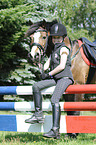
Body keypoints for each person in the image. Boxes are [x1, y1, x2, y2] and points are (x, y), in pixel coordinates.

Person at [25, 23, 74, 139]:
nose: (56, 40)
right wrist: (37, 63)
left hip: (65, 78)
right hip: (56, 78)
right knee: (36, 86)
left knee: (54, 99)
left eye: (58, 38)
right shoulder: (53, 51)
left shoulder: (63, 49)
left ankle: (55, 130)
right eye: (54, 38)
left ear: (63, 38)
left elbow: (62, 66)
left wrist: (49, 74)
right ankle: (38, 114)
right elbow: (46, 65)